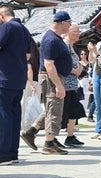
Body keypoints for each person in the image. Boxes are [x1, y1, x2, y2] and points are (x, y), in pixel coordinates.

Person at [21, 9, 73, 155]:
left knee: (51, 108)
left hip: (53, 76)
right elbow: (49, 64)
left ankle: (31, 131)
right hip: (51, 77)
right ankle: (49, 144)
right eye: (69, 23)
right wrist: (58, 85)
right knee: (54, 110)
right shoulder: (51, 39)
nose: (70, 26)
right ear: (63, 23)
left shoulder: (55, 38)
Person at [0, 4, 32, 165]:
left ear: (1, 15)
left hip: (5, 77)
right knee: (14, 115)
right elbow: (28, 55)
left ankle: (3, 153)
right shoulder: (24, 29)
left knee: (3, 115)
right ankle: (13, 153)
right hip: (19, 77)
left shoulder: (7, 27)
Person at [61, 23, 86, 147]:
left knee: (73, 111)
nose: (78, 34)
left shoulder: (71, 46)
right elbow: (61, 64)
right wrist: (75, 71)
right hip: (65, 84)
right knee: (60, 112)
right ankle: (34, 130)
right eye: (75, 31)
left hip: (72, 84)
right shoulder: (64, 46)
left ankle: (70, 136)